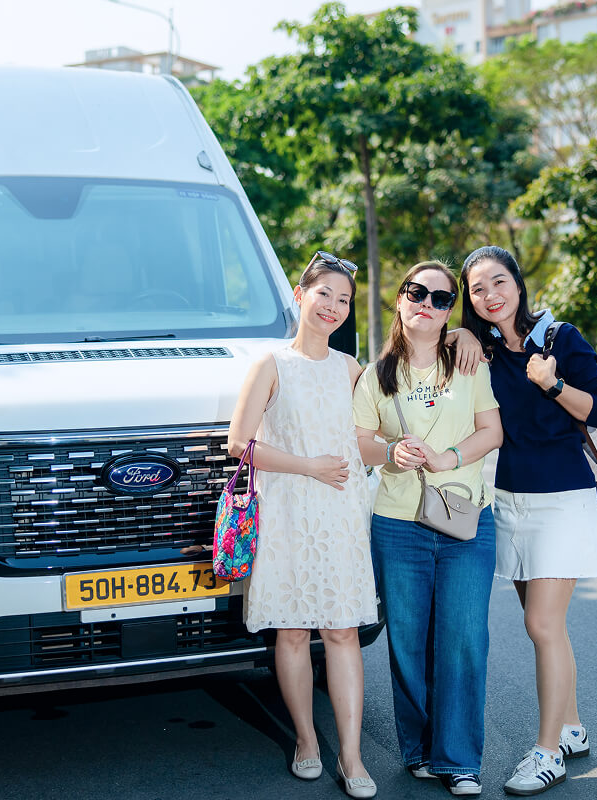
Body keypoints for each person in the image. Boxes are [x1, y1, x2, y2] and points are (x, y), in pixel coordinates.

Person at [455, 245, 597, 797]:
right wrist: (465, 335)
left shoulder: (561, 338)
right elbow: (436, 345)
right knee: (548, 624)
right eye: (477, 289)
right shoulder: (485, 351)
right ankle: (571, 727)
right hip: (511, 500)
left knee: (541, 626)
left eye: (499, 282)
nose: (491, 295)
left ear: (519, 284)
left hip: (562, 499)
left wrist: (550, 383)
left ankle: (548, 754)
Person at [227, 251, 379, 800]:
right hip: (289, 511)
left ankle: (355, 757)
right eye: (325, 296)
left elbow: (362, 440)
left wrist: (396, 451)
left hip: (340, 517)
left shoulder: (351, 369)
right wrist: (307, 464)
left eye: (344, 300)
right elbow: (238, 443)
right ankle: (308, 742)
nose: (333, 308)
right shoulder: (269, 365)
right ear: (300, 294)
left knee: (341, 632)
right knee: (292, 631)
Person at [352, 261, 503, 797]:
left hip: (466, 519)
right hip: (397, 524)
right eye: (418, 292)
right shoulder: (377, 375)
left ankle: (459, 760)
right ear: (400, 299)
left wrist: (450, 456)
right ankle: (417, 750)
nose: (428, 303)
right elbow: (359, 439)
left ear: (449, 314)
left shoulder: (468, 362)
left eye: (442, 299)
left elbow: (493, 429)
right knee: (408, 644)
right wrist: (391, 450)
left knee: (464, 640)